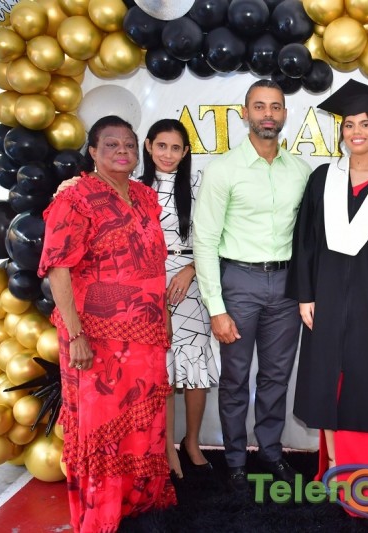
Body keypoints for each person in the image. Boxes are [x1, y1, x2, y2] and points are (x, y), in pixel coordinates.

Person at [287, 80, 368, 516]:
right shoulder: (323, 179)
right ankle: (336, 471)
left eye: (365, 124)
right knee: (329, 384)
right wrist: (305, 294)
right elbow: (305, 241)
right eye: (349, 124)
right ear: (341, 131)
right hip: (326, 299)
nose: (356, 132)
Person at [38, 116, 176, 531]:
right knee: (102, 427)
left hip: (146, 334)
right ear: (93, 152)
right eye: (112, 144)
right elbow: (58, 269)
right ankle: (103, 513)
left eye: (129, 144)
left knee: (143, 421)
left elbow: (155, 264)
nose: (122, 151)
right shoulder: (75, 198)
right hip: (96, 338)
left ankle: (140, 502)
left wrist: (164, 316)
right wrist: (75, 334)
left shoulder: (145, 196)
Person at [193, 79, 311, 492]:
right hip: (239, 283)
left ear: (284, 114)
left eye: (275, 107)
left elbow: (309, 237)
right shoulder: (223, 169)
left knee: (276, 377)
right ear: (245, 114)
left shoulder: (300, 171)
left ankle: (271, 453)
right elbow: (205, 240)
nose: (268, 114)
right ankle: (235, 461)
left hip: (287, 285)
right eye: (259, 106)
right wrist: (216, 308)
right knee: (235, 378)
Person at [140, 119, 218, 478]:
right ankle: (167, 447)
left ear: (186, 152)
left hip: (193, 281)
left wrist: (191, 270)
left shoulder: (200, 184)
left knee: (196, 367)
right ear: (148, 146)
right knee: (164, 370)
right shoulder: (134, 187)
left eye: (175, 148)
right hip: (146, 284)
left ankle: (192, 442)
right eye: (161, 146)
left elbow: (215, 235)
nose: (168, 154)